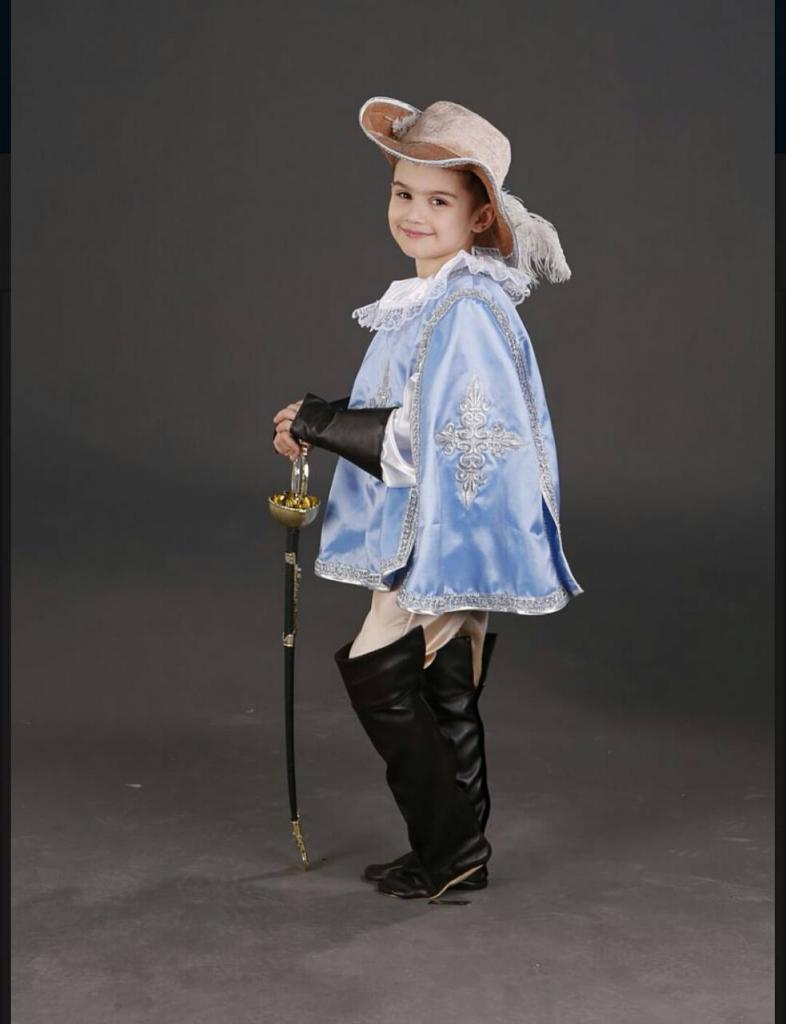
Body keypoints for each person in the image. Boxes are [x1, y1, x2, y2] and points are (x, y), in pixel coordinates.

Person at [272, 96, 584, 903]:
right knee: (445, 678)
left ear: (480, 218)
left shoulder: (467, 306)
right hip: (448, 524)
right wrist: (320, 419)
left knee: (382, 663)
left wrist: (325, 424)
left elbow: (447, 435)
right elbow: (411, 401)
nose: (414, 213)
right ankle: (456, 849)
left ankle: (449, 846)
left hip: (448, 529)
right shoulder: (435, 298)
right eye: (403, 193)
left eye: (438, 200)